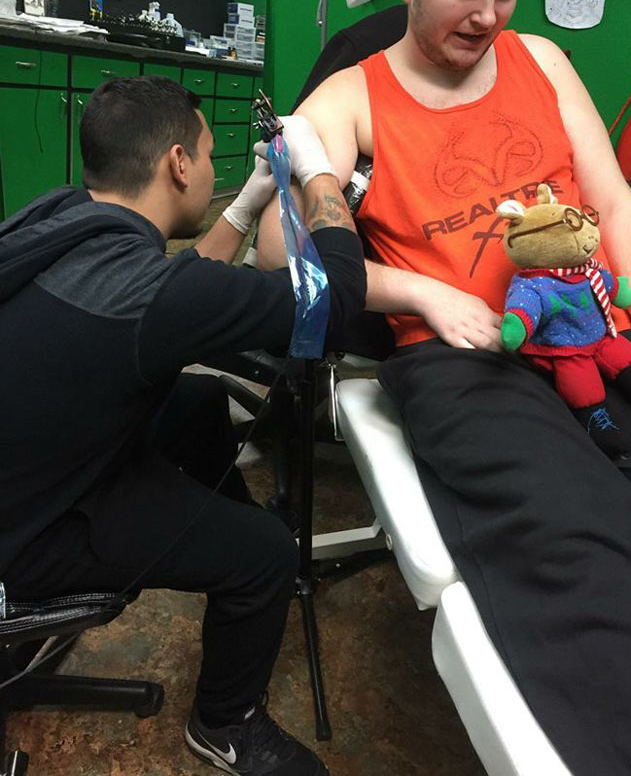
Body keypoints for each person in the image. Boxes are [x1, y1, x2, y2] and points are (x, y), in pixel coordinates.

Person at [257, 0, 631, 776]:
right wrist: (423, 292)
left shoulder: (543, 62)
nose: (488, 16)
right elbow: (277, 255)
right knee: (569, 532)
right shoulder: (352, 97)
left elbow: (614, 205)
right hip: (463, 361)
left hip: (594, 329)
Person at [0, 75, 366, 776]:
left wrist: (251, 201)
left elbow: (177, 295)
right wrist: (320, 170)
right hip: (26, 530)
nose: (212, 168)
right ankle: (225, 723)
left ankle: (224, 554)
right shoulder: (152, 295)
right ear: (177, 164)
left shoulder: (64, 212)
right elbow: (338, 301)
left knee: (196, 401)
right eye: (208, 155)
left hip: (32, 448)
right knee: (268, 552)